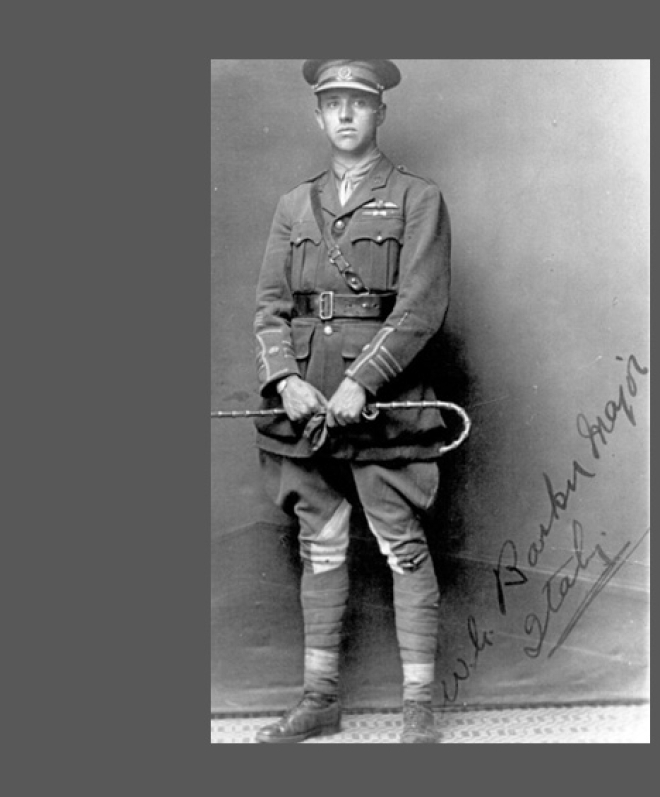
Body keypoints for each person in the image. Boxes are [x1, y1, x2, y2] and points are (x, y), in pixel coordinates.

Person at [251, 60, 452, 743]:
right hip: (306, 402)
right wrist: (287, 382)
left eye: (357, 103)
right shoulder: (292, 205)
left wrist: (361, 381)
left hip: (385, 400)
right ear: (317, 114)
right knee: (323, 544)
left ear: (379, 113)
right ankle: (320, 699)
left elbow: (421, 308)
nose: (344, 114)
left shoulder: (418, 197)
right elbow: (270, 310)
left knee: (403, 545)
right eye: (331, 102)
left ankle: (419, 710)